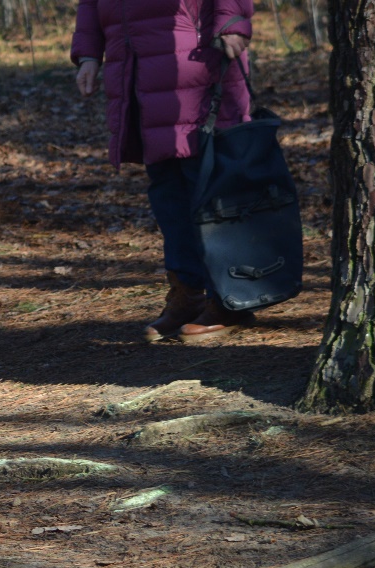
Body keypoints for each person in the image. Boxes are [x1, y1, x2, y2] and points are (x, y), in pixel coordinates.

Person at [73, 1, 255, 343]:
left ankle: (230, 297)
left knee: (209, 188)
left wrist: (233, 22)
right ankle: (188, 294)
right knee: (167, 193)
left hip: (195, 62)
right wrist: (88, 55)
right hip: (135, 69)